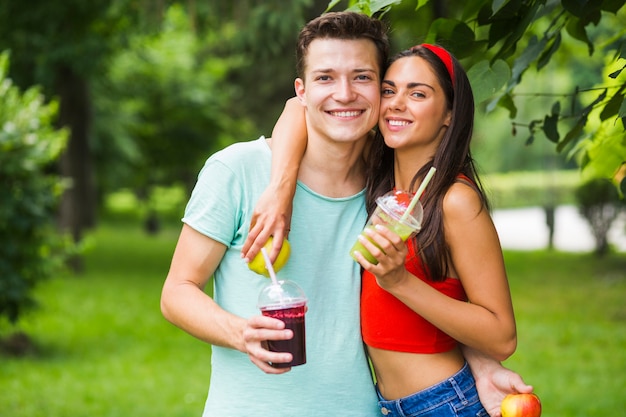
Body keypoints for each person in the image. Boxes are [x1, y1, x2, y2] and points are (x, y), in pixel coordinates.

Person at [242, 45, 529, 417]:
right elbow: (295, 107)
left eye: (418, 93)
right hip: (387, 406)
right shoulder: (378, 181)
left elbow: (502, 336)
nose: (396, 103)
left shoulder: (455, 201)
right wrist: (280, 191)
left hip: (441, 403)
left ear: (449, 115)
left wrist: (400, 282)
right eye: (390, 90)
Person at [161, 11, 389, 416]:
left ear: (380, 89)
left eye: (362, 77)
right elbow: (177, 292)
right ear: (301, 90)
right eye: (325, 78)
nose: (345, 93)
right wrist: (240, 333)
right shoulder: (237, 170)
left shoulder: (388, 190)